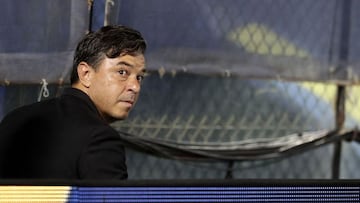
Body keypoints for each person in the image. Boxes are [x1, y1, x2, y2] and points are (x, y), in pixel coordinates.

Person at [0, 25, 147, 179]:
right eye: (122, 72)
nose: (135, 87)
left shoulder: (14, 119)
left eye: (139, 77)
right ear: (85, 73)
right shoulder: (99, 138)